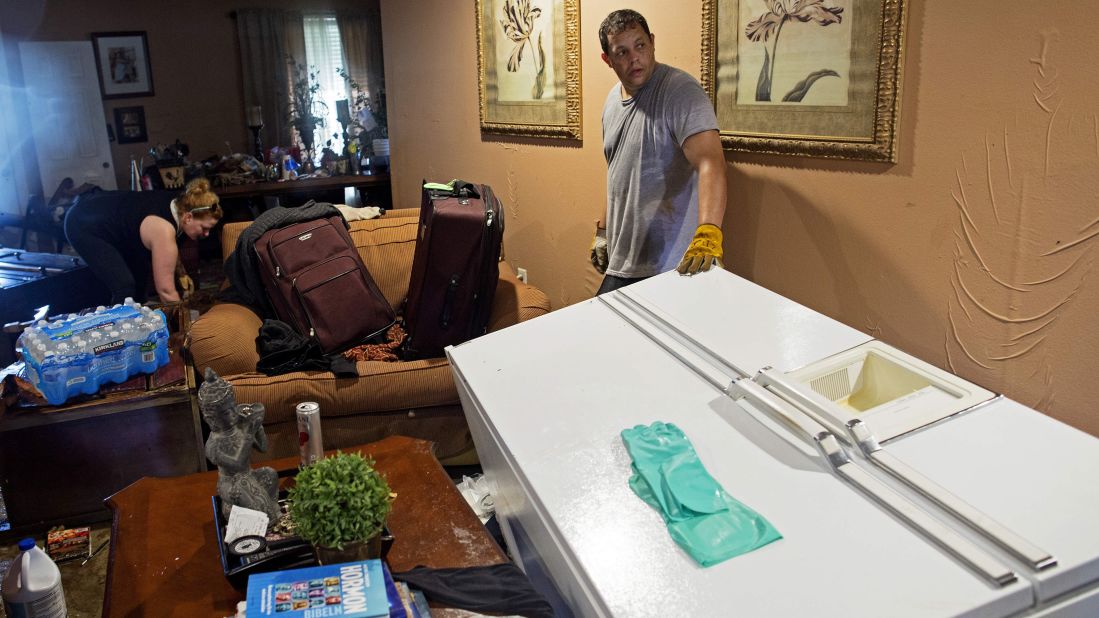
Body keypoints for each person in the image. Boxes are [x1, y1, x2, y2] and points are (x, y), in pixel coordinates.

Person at [596, 9, 728, 295]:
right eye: (622, 52)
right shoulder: (611, 101)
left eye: (640, 45)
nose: (634, 58)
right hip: (624, 261)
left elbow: (711, 162)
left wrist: (708, 232)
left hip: (672, 267)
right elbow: (617, 172)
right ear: (607, 59)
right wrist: (603, 232)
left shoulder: (680, 91)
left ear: (652, 42)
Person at [64, 178, 222, 304]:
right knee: (125, 286)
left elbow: (170, 259)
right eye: (204, 228)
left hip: (113, 219)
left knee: (140, 280)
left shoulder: (181, 205)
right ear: (188, 217)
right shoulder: (163, 229)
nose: (207, 234)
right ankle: (118, 336)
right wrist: (186, 327)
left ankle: (141, 325)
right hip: (83, 222)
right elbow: (166, 291)